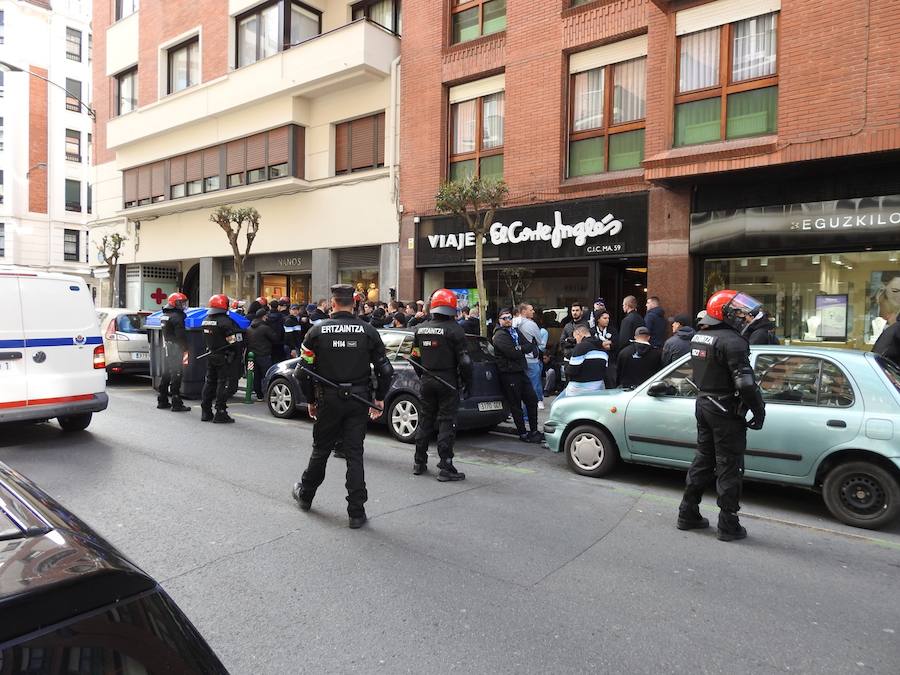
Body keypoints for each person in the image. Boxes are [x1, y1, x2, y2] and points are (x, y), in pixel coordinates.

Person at [292, 285, 393, 529]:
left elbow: (302, 372)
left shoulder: (316, 332)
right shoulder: (368, 331)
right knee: (354, 454)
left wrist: (312, 401)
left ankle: (305, 495)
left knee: (321, 450)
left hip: (329, 399)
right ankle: (356, 512)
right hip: (358, 400)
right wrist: (379, 398)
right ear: (354, 304)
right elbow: (386, 370)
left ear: (333, 304)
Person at [678, 290, 766, 542]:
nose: (741, 315)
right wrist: (758, 410)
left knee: (703, 459)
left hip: (705, 404)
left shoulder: (700, 337)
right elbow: (746, 384)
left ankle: (688, 512)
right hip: (726, 409)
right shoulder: (733, 341)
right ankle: (728, 524)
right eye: (736, 311)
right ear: (723, 313)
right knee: (729, 465)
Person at [410, 289, 473, 480]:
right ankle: (445, 466)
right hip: (448, 381)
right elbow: (465, 362)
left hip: (427, 380)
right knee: (447, 421)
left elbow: (414, 358)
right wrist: (467, 383)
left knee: (425, 420)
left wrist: (423, 375)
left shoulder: (420, 329)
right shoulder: (455, 329)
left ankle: (419, 462)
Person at [492, 309, 542, 443]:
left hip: (520, 371)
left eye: (509, 317)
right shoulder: (499, 335)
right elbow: (512, 353)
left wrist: (519, 348)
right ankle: (522, 433)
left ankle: (534, 430)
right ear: (499, 320)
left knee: (532, 400)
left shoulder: (515, 331)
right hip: (509, 374)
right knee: (516, 405)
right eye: (504, 318)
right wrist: (520, 348)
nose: (507, 320)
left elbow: (529, 345)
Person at [200, 294, 244, 424]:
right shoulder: (225, 321)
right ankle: (220, 412)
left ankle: (206, 411)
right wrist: (236, 351)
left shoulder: (206, 319)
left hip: (211, 354)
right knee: (222, 384)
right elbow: (232, 341)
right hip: (223, 356)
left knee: (209, 382)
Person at [157, 292, 191, 413]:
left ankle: (162, 399)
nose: (182, 305)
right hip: (176, 348)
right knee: (177, 373)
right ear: (174, 303)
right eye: (180, 303)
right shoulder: (177, 316)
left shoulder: (165, 315)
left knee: (166, 373)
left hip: (166, 346)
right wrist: (186, 348)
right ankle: (176, 402)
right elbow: (181, 335)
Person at [558, 325, 607, 399]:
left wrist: (567, 365)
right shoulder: (603, 349)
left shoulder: (581, 347)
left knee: (557, 404)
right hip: (599, 387)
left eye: (575, 338)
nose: (576, 341)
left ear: (579, 334)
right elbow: (605, 369)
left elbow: (571, 371)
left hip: (578, 389)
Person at [246, 308, 279, 401]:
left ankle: (259, 394)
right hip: (264, 354)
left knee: (255, 375)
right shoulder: (265, 328)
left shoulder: (249, 328)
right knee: (267, 375)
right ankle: (267, 393)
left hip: (252, 356)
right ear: (264, 317)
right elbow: (275, 338)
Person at [516, 303, 545, 409]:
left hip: (517, 359)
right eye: (531, 310)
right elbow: (539, 341)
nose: (533, 312)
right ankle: (536, 403)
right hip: (531, 358)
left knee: (520, 385)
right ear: (524, 311)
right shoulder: (532, 324)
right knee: (533, 383)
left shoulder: (512, 322)